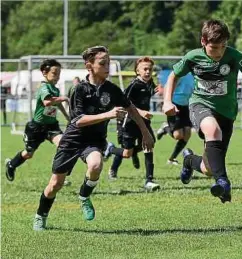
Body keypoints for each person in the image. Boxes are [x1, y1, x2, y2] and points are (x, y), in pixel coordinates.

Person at [163, 19, 242, 204]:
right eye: (214, 48)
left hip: (227, 114)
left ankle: (189, 160)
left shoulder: (234, 56)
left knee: (208, 168)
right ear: (203, 42)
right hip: (199, 105)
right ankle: (224, 183)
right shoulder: (192, 57)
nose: (219, 52)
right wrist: (166, 101)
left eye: (223, 46)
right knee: (213, 131)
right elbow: (173, 75)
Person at [32, 46, 154, 231]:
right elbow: (79, 121)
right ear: (89, 66)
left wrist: (145, 132)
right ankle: (40, 215)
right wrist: (109, 114)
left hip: (94, 141)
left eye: (109, 63)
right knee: (55, 184)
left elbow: (131, 109)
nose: (107, 67)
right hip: (72, 140)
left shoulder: (111, 89)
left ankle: (84, 196)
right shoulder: (79, 89)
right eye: (102, 63)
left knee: (96, 165)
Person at [5, 59, 70, 182]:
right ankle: (11, 164)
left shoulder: (55, 89)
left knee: (63, 144)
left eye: (59, 74)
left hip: (51, 126)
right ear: (45, 73)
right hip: (37, 127)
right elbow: (47, 102)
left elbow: (57, 103)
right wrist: (64, 98)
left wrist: (67, 116)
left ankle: (59, 173)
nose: (57, 77)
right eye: (54, 73)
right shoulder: (43, 87)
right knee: (29, 154)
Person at [105, 57, 160, 192]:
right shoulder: (134, 85)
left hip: (144, 122)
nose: (148, 72)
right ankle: (111, 150)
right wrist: (141, 112)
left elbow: (149, 93)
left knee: (149, 144)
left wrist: (158, 90)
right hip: (129, 122)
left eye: (150, 69)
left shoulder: (149, 83)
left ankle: (149, 180)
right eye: (145, 69)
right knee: (127, 153)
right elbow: (126, 104)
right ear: (137, 71)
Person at [156, 69, 194, 165]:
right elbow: (167, 86)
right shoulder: (179, 73)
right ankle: (165, 128)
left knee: (187, 134)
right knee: (178, 135)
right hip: (174, 104)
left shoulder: (193, 75)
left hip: (185, 106)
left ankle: (172, 159)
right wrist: (166, 102)